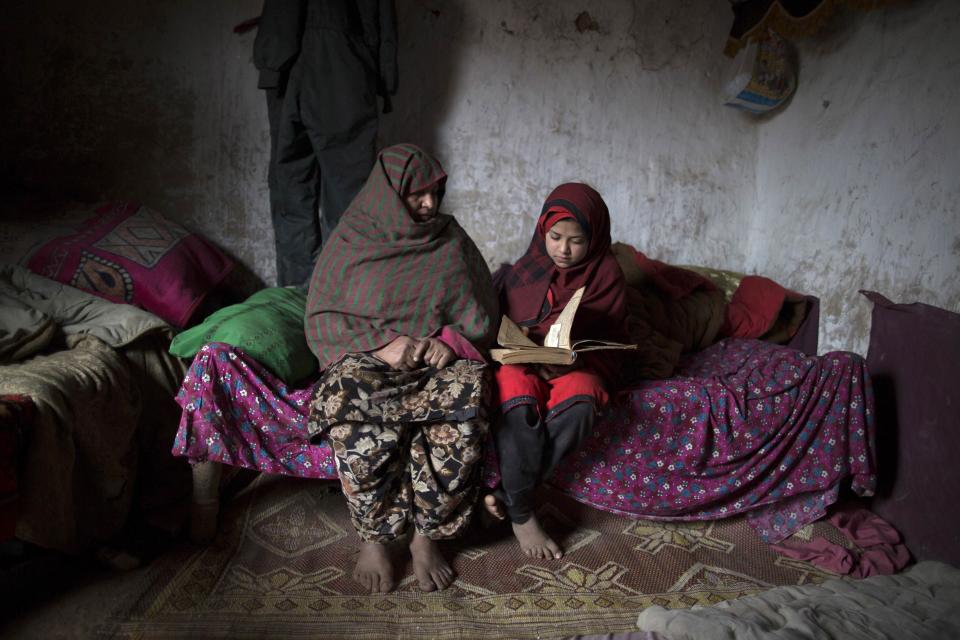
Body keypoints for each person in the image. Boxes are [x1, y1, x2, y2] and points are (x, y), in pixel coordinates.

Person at [304, 143, 499, 593]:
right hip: (372, 363)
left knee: (469, 393)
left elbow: (481, 312)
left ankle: (427, 537)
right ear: (388, 195)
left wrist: (448, 343)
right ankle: (374, 538)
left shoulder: (450, 239)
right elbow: (323, 318)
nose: (430, 204)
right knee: (345, 395)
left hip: (434, 365)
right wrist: (382, 346)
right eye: (417, 194)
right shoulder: (352, 239)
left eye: (436, 192)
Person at [485, 183, 629, 560]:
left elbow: (614, 344)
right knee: (514, 399)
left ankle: (508, 498)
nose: (563, 250)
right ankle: (522, 514)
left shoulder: (607, 274)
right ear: (541, 231)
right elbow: (497, 327)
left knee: (584, 401)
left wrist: (573, 358)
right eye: (555, 237)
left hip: (575, 365)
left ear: (595, 237)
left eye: (576, 240)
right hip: (524, 361)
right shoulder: (524, 269)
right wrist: (526, 351)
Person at [254, 0, 398, 288]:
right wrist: (384, 77)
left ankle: (321, 301)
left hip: (304, 59)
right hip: (334, 60)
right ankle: (322, 302)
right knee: (336, 196)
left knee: (306, 194)